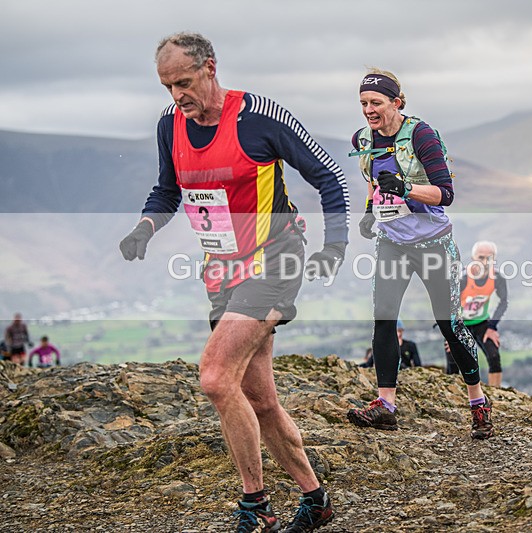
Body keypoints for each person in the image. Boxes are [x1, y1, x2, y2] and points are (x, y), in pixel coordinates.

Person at [118, 32, 348, 533]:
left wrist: (336, 245)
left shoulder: (259, 118)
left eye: (183, 82)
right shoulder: (170, 124)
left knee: (215, 376)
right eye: (167, 86)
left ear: (210, 68)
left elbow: (329, 176)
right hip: (222, 269)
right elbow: (167, 189)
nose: (177, 95)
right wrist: (145, 227)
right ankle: (315, 499)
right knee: (258, 397)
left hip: (275, 262)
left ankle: (255, 507)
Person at [346, 68, 494, 439]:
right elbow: (372, 176)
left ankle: (478, 402)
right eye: (363, 103)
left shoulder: (421, 135)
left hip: (433, 243)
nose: (368, 109)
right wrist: (369, 210)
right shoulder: (362, 137)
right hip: (392, 242)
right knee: (384, 320)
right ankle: (386, 404)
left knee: (449, 324)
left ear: (396, 103)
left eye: (376, 102)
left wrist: (407, 188)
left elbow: (445, 193)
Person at [445, 241, 509, 387]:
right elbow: (447, 305)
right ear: (473, 257)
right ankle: (453, 396)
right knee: (453, 364)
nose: (485, 262)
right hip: (459, 325)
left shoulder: (497, 278)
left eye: (490, 258)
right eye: (481, 257)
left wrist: (492, 327)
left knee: (494, 356)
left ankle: (496, 394)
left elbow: (504, 302)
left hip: (482, 324)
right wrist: (450, 333)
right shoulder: (462, 278)